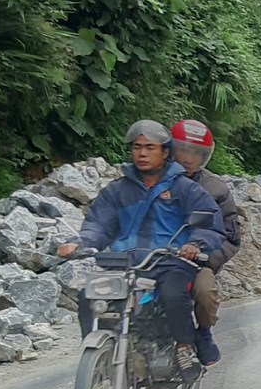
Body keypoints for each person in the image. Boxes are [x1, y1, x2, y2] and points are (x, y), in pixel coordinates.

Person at [56, 120, 226, 370]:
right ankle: (101, 356)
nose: (142, 153)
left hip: (170, 262)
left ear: (165, 152)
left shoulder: (185, 188)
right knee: (88, 296)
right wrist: (79, 242)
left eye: (150, 147)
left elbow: (209, 224)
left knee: (173, 294)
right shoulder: (117, 190)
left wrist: (195, 244)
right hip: (125, 264)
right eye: (137, 147)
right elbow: (99, 225)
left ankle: (184, 347)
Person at [168, 118, 241, 365]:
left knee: (205, 291)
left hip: (196, 260)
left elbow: (231, 236)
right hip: (153, 256)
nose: (188, 158)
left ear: (204, 157)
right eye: (183, 149)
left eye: (196, 153)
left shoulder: (216, 188)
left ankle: (204, 333)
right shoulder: (153, 179)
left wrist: (206, 259)